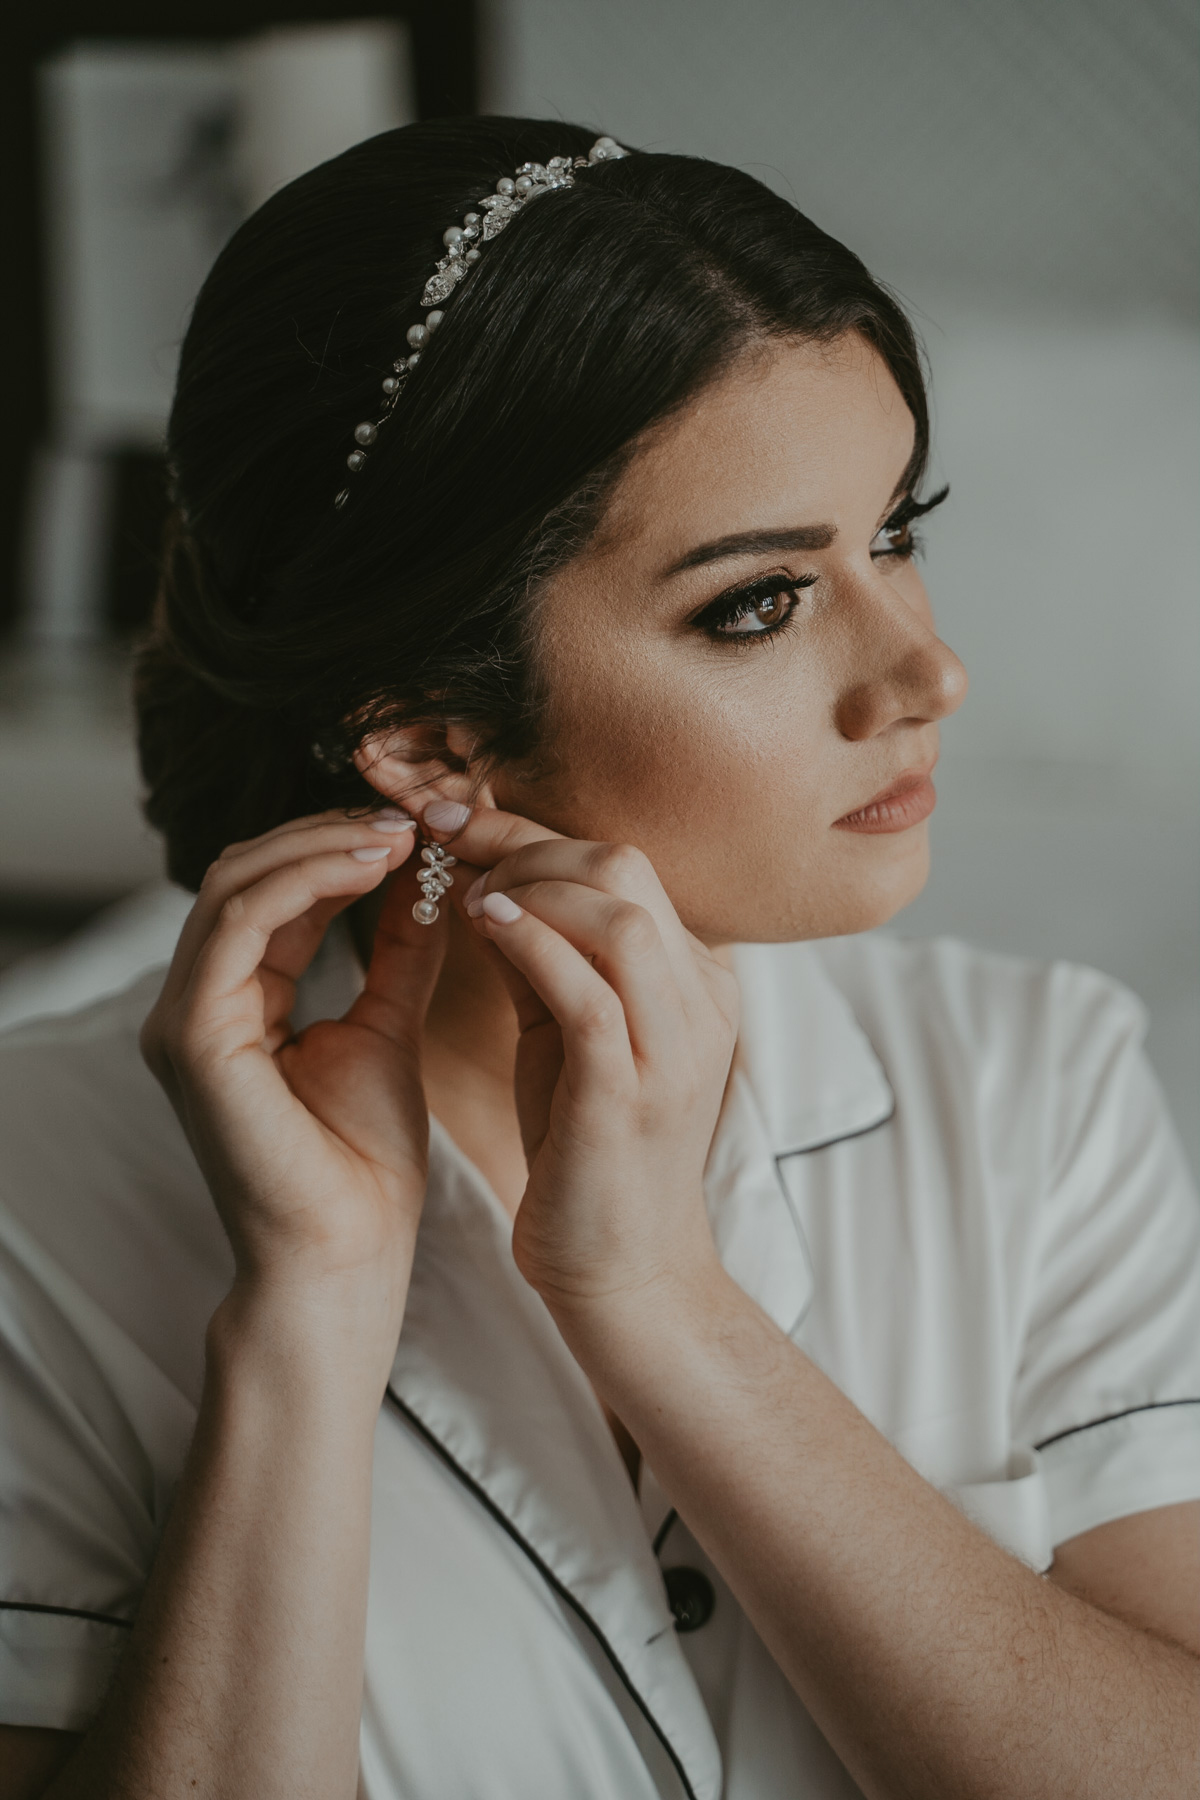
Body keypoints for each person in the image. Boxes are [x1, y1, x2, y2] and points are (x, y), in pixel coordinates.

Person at [1, 116, 1197, 1800]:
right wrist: (309, 1313)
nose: (928, 675)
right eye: (763, 603)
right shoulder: (26, 1208)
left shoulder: (1040, 1084)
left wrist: (667, 1311)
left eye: (900, 531)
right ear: (433, 740)